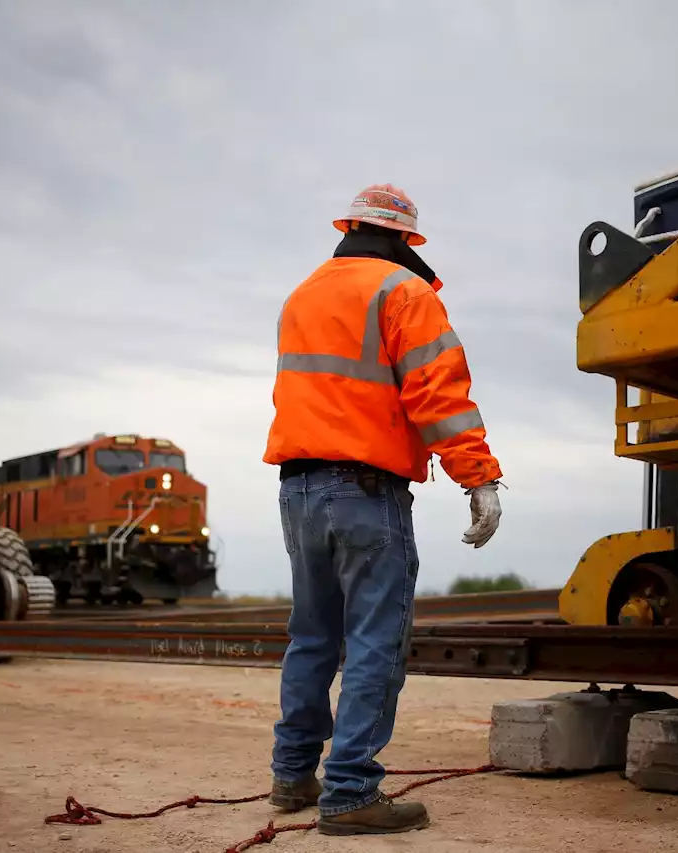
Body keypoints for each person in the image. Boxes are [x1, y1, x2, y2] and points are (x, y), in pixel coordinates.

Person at [263, 183, 504, 835]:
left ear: (350, 228)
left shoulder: (302, 293)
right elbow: (439, 395)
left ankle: (293, 775)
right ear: (405, 240)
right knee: (375, 637)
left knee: (313, 633)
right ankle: (350, 793)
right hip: (366, 490)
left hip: (298, 487)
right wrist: (478, 476)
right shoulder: (404, 293)